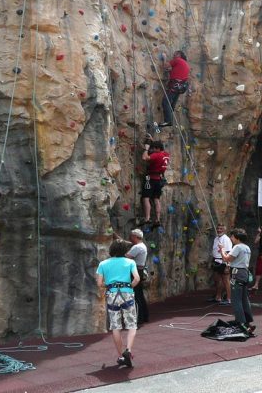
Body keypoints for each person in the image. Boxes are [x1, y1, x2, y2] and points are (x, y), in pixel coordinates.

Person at [96, 239, 141, 368]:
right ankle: (129, 350)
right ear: (124, 250)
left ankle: (122, 355)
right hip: (127, 293)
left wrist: (110, 286)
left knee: (116, 326)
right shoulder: (130, 262)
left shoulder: (103, 264)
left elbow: (99, 284)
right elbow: (137, 278)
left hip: (112, 294)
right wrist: (129, 287)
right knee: (132, 324)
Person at [218, 228, 255, 335]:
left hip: (237, 274)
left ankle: (241, 322)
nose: (231, 238)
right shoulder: (247, 247)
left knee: (236, 300)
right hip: (245, 273)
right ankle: (247, 321)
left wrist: (222, 250)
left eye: (232, 236)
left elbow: (226, 259)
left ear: (237, 238)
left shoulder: (237, 247)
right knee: (244, 299)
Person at [140, 140, 170, 226]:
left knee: (146, 197)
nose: (152, 150)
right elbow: (160, 149)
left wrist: (146, 149)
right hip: (159, 179)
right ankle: (157, 219)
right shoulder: (166, 155)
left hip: (150, 178)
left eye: (153, 148)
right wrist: (153, 140)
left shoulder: (156, 155)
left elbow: (144, 158)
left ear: (157, 148)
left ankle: (147, 218)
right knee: (156, 199)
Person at [159, 50, 189, 127]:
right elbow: (175, 72)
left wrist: (164, 58)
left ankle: (168, 121)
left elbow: (165, 66)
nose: (173, 56)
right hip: (181, 86)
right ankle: (170, 116)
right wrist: (170, 71)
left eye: (175, 54)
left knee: (166, 102)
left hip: (175, 85)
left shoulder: (177, 60)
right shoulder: (185, 63)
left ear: (179, 55)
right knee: (171, 104)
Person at [125, 229, 149, 325]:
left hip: (135, 272)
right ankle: (145, 316)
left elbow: (126, 257)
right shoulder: (142, 246)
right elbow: (127, 243)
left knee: (136, 296)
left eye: (131, 236)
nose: (130, 237)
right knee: (140, 295)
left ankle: (139, 318)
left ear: (135, 237)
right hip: (140, 270)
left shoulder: (137, 248)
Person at [210, 224, 232, 305]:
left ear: (224, 230)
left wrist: (227, 265)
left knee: (226, 280)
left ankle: (229, 299)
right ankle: (218, 297)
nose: (219, 230)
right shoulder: (216, 238)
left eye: (221, 229)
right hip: (216, 261)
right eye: (218, 228)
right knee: (217, 280)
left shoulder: (226, 239)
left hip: (223, 261)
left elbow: (229, 252)